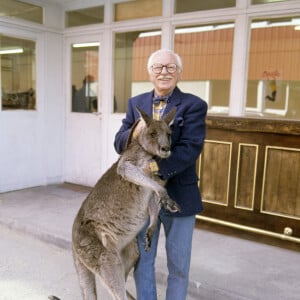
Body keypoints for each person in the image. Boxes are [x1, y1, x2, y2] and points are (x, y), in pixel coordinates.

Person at [114, 49, 207, 300]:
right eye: (158, 67)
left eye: (170, 67)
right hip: (141, 200)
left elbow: (190, 148)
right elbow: (119, 143)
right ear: (150, 72)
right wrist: (134, 133)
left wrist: (153, 168)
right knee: (143, 262)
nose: (164, 72)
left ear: (179, 72)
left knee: (178, 266)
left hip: (179, 196)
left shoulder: (194, 105)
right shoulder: (137, 104)